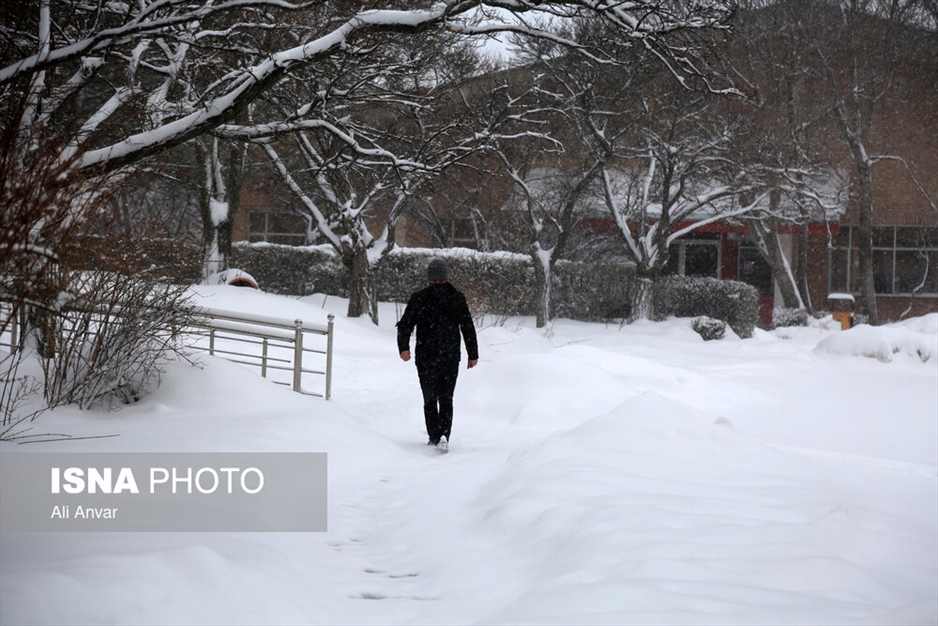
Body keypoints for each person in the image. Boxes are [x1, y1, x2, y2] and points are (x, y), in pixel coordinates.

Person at [397, 258, 478, 452]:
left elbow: (405, 325)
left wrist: (404, 348)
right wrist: (472, 354)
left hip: (426, 356)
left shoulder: (420, 298)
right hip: (448, 356)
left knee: (430, 398)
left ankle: (436, 436)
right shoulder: (455, 297)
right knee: (446, 397)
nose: (437, 283)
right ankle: (442, 436)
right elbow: (467, 326)